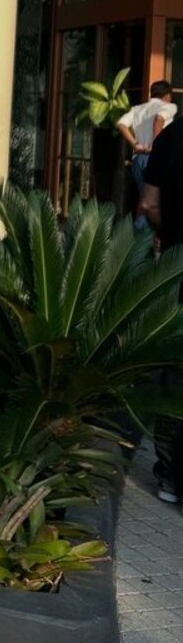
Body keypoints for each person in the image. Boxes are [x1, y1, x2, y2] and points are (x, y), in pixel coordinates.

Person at [136, 123, 183, 505]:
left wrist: (167, 232)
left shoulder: (171, 136)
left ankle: (170, 474)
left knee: (174, 370)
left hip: (176, 268)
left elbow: (148, 203)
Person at [117, 81, 176, 226]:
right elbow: (159, 119)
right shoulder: (169, 106)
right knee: (155, 202)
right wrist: (157, 147)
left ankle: (139, 234)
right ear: (167, 95)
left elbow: (121, 124)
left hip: (139, 159)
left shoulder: (138, 109)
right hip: (156, 159)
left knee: (144, 199)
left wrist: (135, 144)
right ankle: (145, 236)